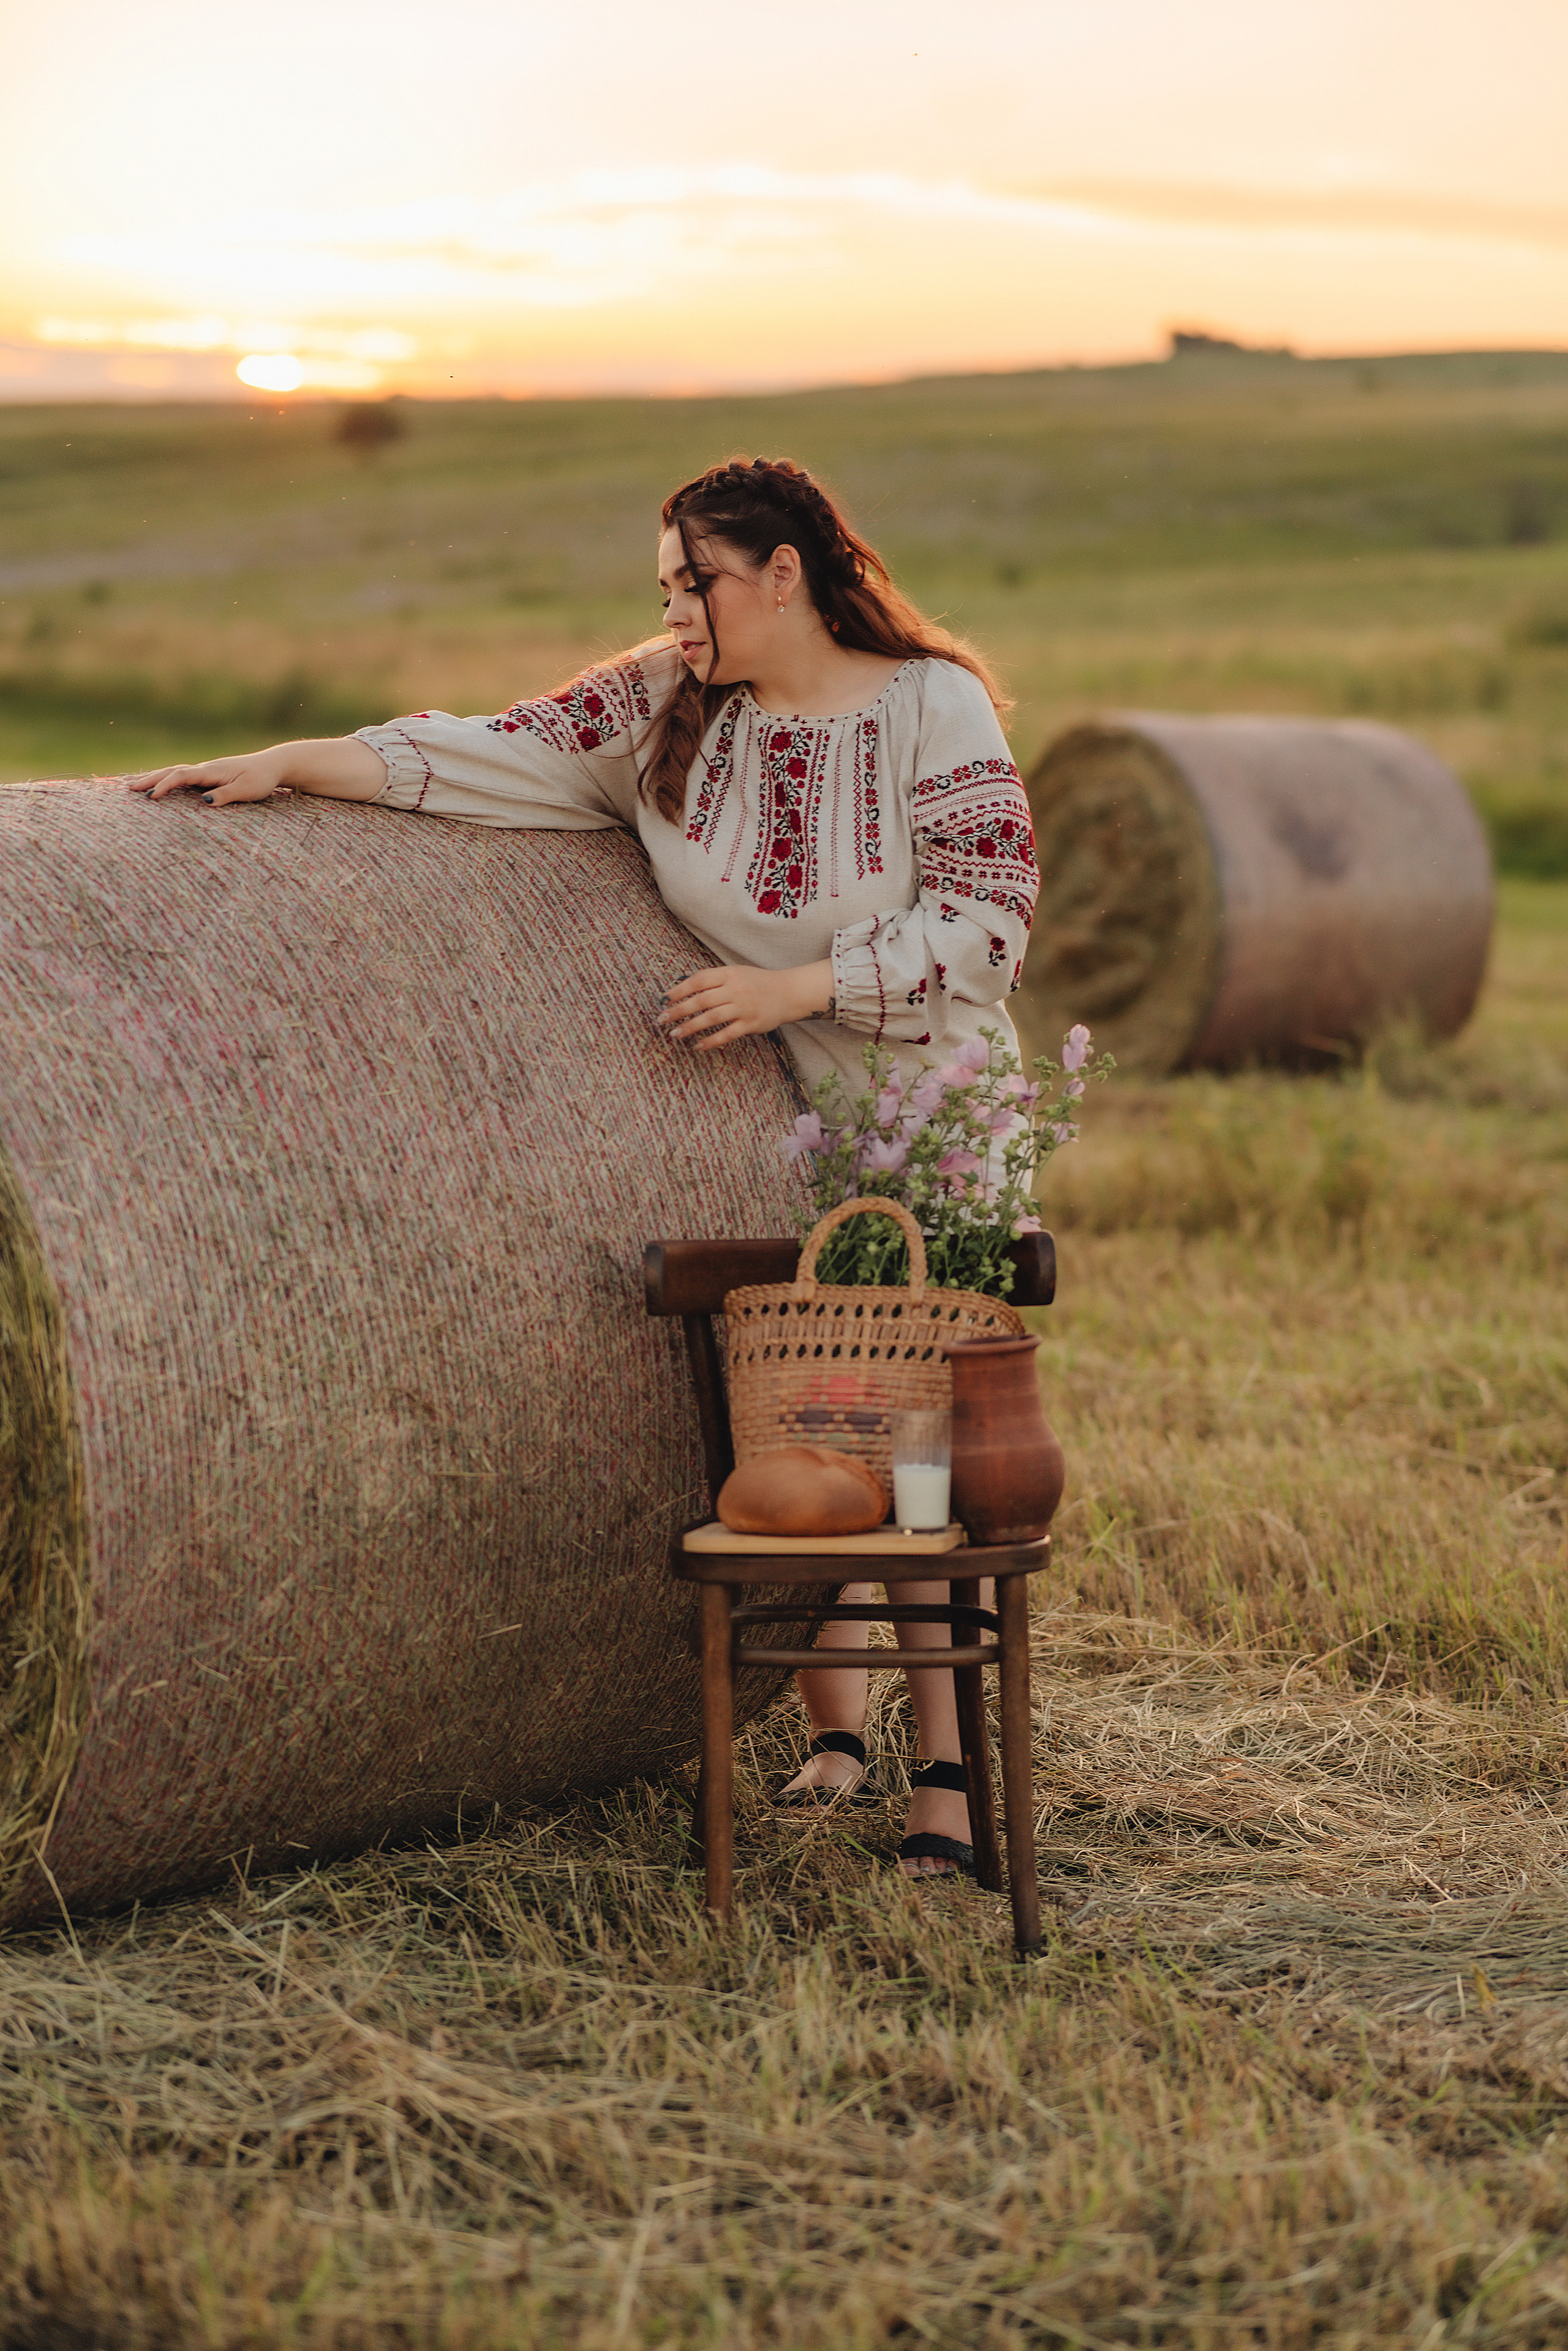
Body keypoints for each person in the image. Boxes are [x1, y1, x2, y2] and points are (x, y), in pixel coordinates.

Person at [130, 455, 1040, 1880]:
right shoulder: (660, 698)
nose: (675, 609)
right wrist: (297, 764)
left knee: (906, 1445)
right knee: (785, 1431)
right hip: (751, 1117)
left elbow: (990, 922)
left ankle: (943, 1780)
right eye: (664, 587)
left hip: (924, 1109)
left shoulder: (932, 702)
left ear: (783, 573)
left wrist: (796, 988)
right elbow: (487, 751)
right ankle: (834, 1733)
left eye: (696, 582)